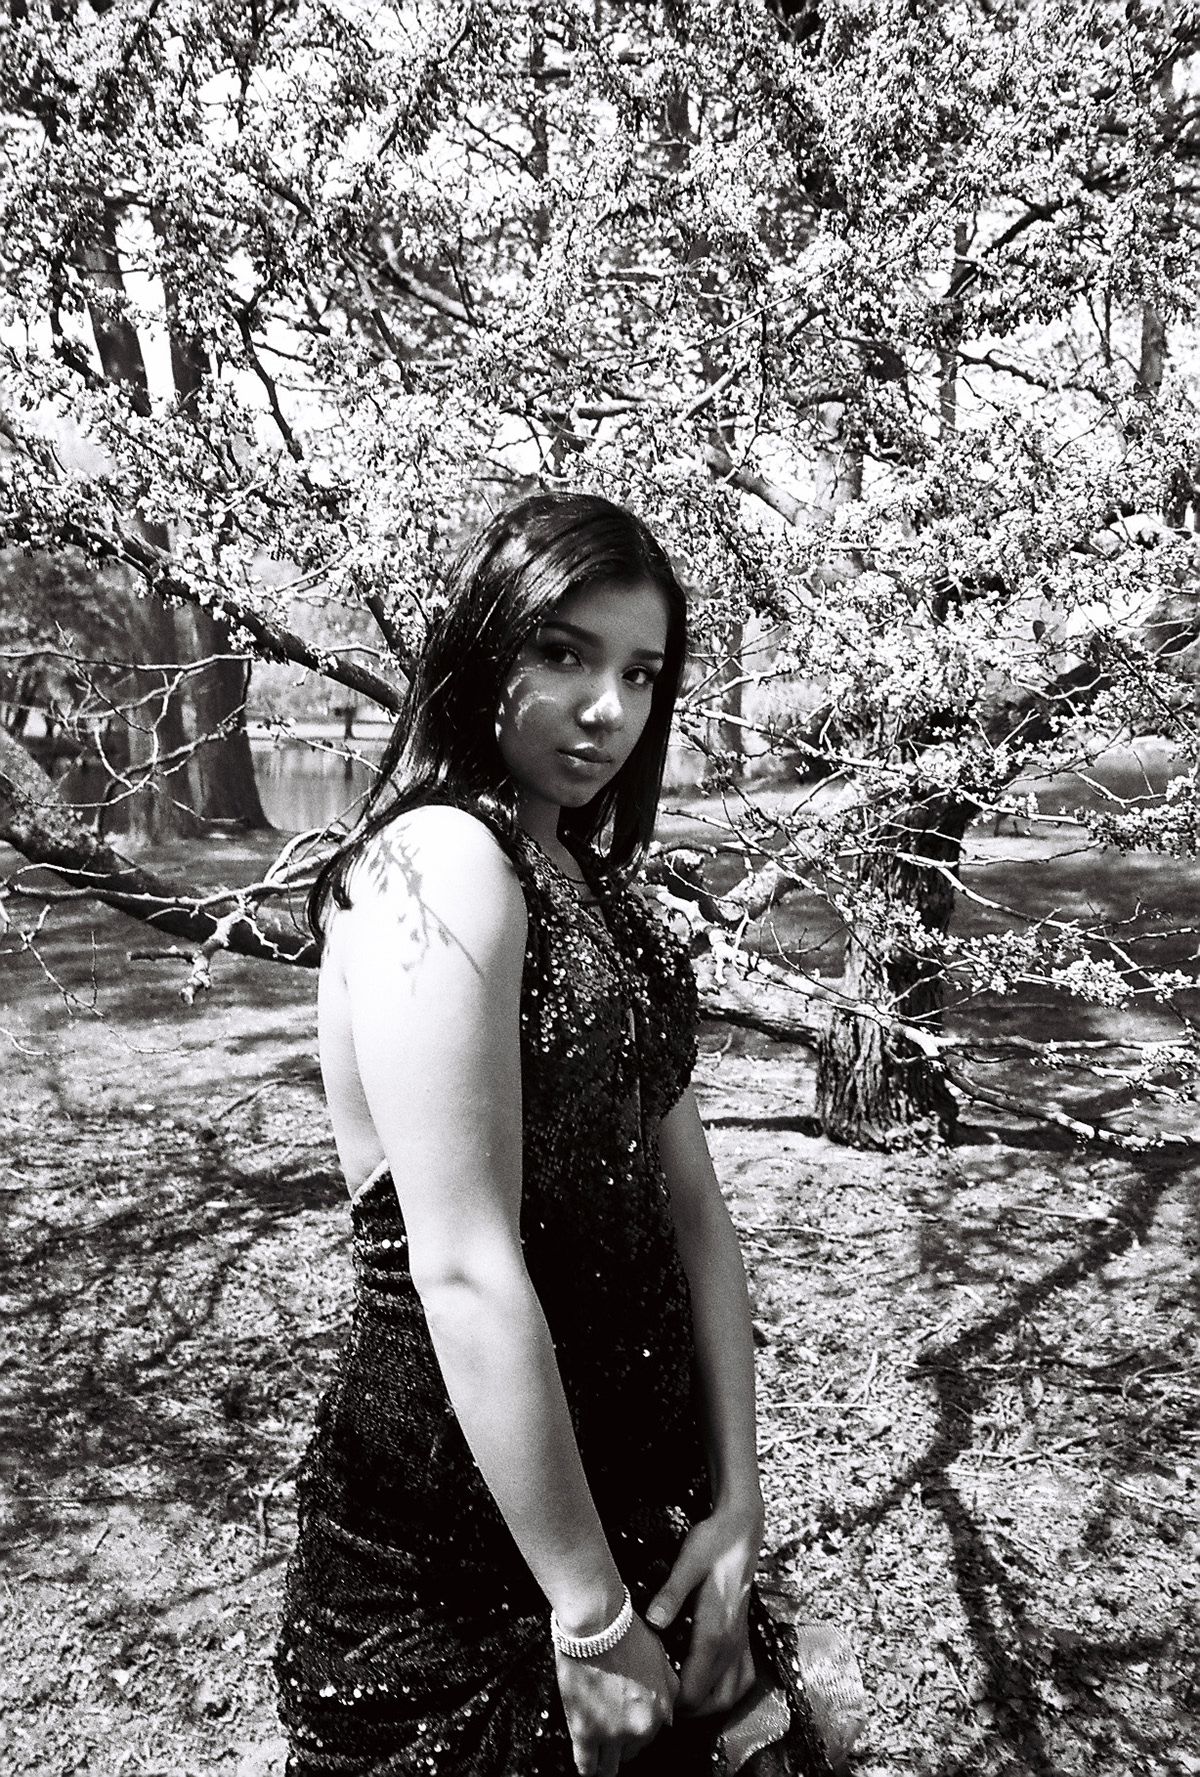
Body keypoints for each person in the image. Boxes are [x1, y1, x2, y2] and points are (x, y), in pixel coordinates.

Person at [275, 493, 827, 1776]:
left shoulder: (607, 897)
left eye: (641, 673)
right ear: (485, 645)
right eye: (565, 654)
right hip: (471, 1547)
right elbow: (462, 1262)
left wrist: (736, 1503)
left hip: (642, 1510)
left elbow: (697, 1216)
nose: (607, 711)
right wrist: (590, 1617)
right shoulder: (439, 862)